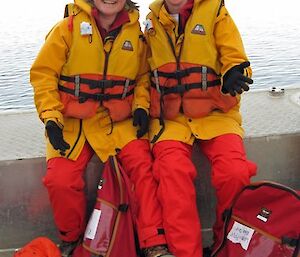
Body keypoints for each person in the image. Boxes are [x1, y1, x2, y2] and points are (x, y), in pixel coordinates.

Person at [30, 0, 174, 256]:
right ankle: (72, 241)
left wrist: (141, 106)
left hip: (118, 122)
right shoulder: (66, 29)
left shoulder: (137, 34)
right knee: (60, 180)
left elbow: (143, 77)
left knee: (143, 168)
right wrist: (51, 117)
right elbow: (44, 76)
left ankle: (153, 243)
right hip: (73, 124)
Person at [143, 0, 258, 256]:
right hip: (170, 120)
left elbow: (237, 59)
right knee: (172, 172)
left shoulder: (216, 12)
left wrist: (232, 73)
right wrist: (141, 107)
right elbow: (141, 74)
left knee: (235, 172)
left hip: (216, 115)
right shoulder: (150, 22)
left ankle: (225, 245)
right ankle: (187, 252)